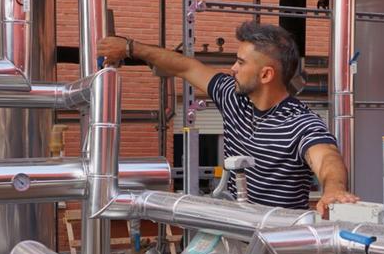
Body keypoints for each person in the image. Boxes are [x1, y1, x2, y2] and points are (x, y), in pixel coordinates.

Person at [97, 21, 358, 215]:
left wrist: (333, 189)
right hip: (237, 236)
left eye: (241, 62)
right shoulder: (234, 98)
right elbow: (186, 66)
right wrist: (131, 48)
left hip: (280, 252)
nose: (233, 68)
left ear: (266, 75)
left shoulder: (300, 122)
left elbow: (326, 158)